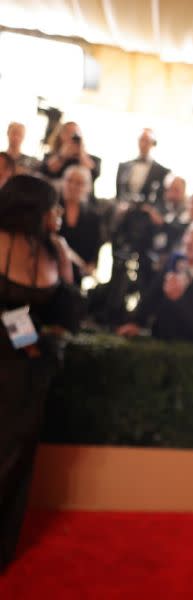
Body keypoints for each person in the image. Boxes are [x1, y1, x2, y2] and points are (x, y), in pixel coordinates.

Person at [0, 175, 80, 571]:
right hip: (7, 361)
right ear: (32, 208)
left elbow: (67, 318)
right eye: (53, 205)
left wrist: (65, 266)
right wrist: (25, 341)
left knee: (16, 457)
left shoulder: (53, 249)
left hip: (31, 373)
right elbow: (8, 311)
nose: (59, 213)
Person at [115, 219, 193, 343]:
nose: (189, 241)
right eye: (189, 234)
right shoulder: (174, 263)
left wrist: (178, 299)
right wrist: (136, 323)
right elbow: (152, 296)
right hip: (158, 339)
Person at [58, 165, 103, 287]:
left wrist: (90, 265)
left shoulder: (94, 216)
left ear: (88, 187)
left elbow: (96, 246)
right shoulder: (53, 209)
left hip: (77, 273)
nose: (72, 186)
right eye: (69, 181)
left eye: (79, 183)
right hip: (51, 268)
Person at [39, 122, 101, 202]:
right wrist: (62, 155)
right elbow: (46, 171)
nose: (72, 136)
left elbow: (94, 173)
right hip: (54, 199)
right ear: (60, 135)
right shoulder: (51, 156)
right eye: (68, 132)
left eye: (75, 133)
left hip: (83, 204)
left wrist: (81, 152)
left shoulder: (92, 159)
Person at [115, 128, 170, 206]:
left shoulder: (162, 171)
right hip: (123, 211)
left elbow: (161, 199)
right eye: (141, 140)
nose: (143, 144)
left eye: (147, 141)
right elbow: (119, 193)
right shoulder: (123, 166)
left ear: (153, 143)